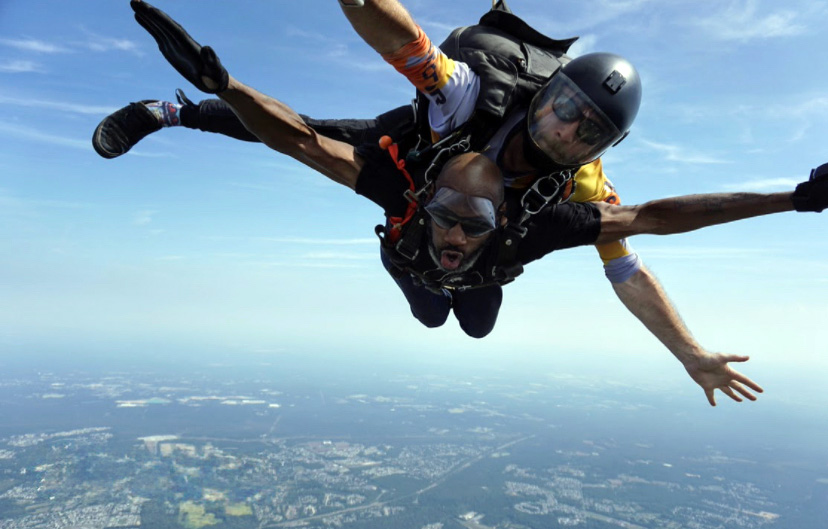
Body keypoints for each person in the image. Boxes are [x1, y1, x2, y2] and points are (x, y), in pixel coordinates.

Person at [105, 0, 825, 406]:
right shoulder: (466, 97)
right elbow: (395, 44)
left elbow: (648, 236)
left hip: (483, 248)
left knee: (475, 324)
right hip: (417, 167)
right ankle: (171, 110)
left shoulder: (572, 196)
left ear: (604, 146)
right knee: (310, 135)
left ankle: (447, 252)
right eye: (563, 109)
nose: (564, 132)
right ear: (546, 93)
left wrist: (795, 200)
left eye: (587, 131)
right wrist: (224, 88)